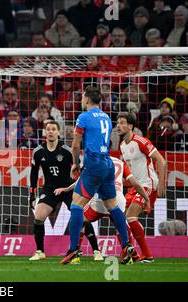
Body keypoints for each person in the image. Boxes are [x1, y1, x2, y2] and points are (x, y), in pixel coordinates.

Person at [60, 86, 134, 265]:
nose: (81, 100)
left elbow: (76, 145)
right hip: (107, 163)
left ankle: (73, 249)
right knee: (113, 206)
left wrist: (75, 164)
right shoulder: (107, 117)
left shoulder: (83, 117)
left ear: (86, 99)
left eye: (82, 97)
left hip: (93, 164)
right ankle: (126, 245)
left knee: (76, 205)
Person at [28, 121, 102, 262]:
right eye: (48, 129)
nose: (50, 131)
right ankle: (40, 252)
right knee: (38, 217)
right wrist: (32, 194)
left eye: (53, 129)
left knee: (82, 218)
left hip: (69, 188)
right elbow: (33, 174)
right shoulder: (38, 152)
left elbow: (80, 171)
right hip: (50, 189)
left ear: (58, 132)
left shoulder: (66, 151)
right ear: (45, 132)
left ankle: (96, 251)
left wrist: (80, 189)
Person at [55, 156, 151, 262]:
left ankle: (75, 254)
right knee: (120, 226)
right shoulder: (120, 162)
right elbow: (134, 183)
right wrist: (146, 199)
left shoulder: (95, 160)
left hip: (99, 202)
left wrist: (67, 189)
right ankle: (132, 255)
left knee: (80, 219)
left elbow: (82, 181)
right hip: (118, 200)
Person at [118, 112, 167, 263]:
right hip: (136, 186)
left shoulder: (140, 141)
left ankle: (148, 255)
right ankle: (132, 255)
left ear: (130, 126)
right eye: (118, 123)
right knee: (119, 218)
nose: (119, 126)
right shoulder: (122, 146)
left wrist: (162, 184)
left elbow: (161, 160)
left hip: (148, 183)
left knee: (131, 216)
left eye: (122, 123)